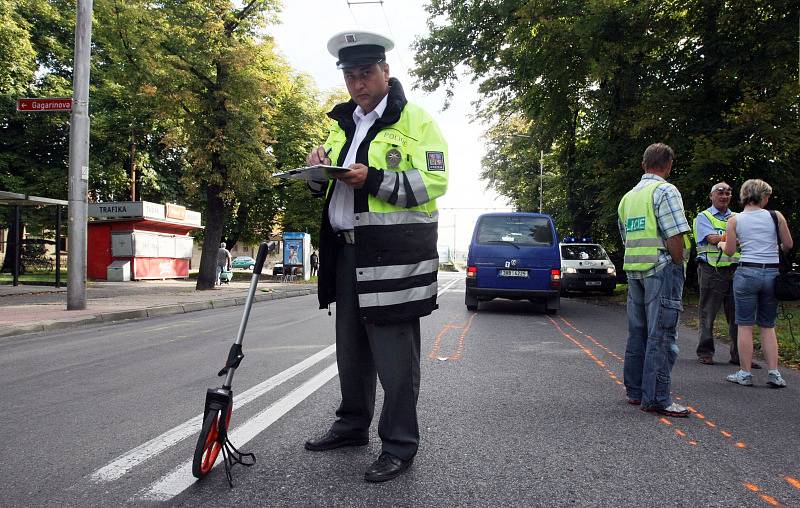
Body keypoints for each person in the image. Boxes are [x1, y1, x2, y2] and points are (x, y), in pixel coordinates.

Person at [303, 30, 448, 483]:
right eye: (350, 76)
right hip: (346, 253)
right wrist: (314, 170)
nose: (357, 84)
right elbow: (328, 183)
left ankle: (400, 444)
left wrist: (373, 179)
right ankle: (351, 426)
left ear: (386, 71)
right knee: (350, 350)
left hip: (394, 258)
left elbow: (435, 183)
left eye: (365, 73)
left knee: (394, 357)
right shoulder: (342, 122)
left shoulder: (418, 121)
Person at [618, 143, 691, 418]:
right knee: (661, 334)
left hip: (635, 269)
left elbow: (626, 237)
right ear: (668, 165)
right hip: (660, 269)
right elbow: (674, 236)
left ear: (643, 164)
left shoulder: (628, 198)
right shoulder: (665, 191)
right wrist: (677, 262)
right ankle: (657, 397)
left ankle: (635, 391)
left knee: (637, 333)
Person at [720, 179, 793, 388]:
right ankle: (774, 373)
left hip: (746, 273)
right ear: (762, 196)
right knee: (767, 326)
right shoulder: (775, 216)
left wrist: (723, 243)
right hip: (771, 273)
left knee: (744, 325)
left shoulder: (735, 220)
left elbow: (731, 251)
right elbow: (788, 244)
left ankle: (745, 373)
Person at [693, 182, 760, 367]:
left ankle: (740, 355)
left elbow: (747, 239)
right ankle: (705, 352)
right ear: (711, 196)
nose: (724, 196)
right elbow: (711, 239)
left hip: (737, 270)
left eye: (728, 193)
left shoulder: (737, 217)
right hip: (711, 270)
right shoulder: (703, 216)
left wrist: (731, 238)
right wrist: (734, 238)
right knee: (708, 312)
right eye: (720, 192)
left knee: (739, 314)